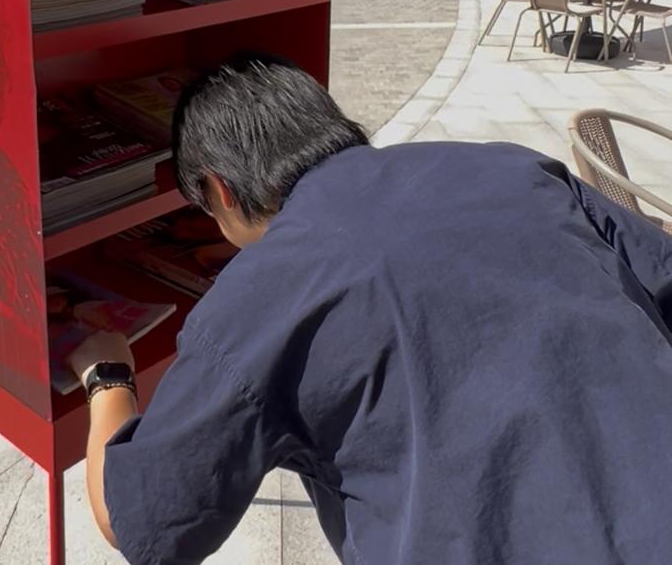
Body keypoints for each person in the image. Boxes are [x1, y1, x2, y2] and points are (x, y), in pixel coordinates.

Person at [69, 56, 672, 565]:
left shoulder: (259, 293)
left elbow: (136, 520)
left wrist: (108, 376)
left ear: (219, 190)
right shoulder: (515, 165)